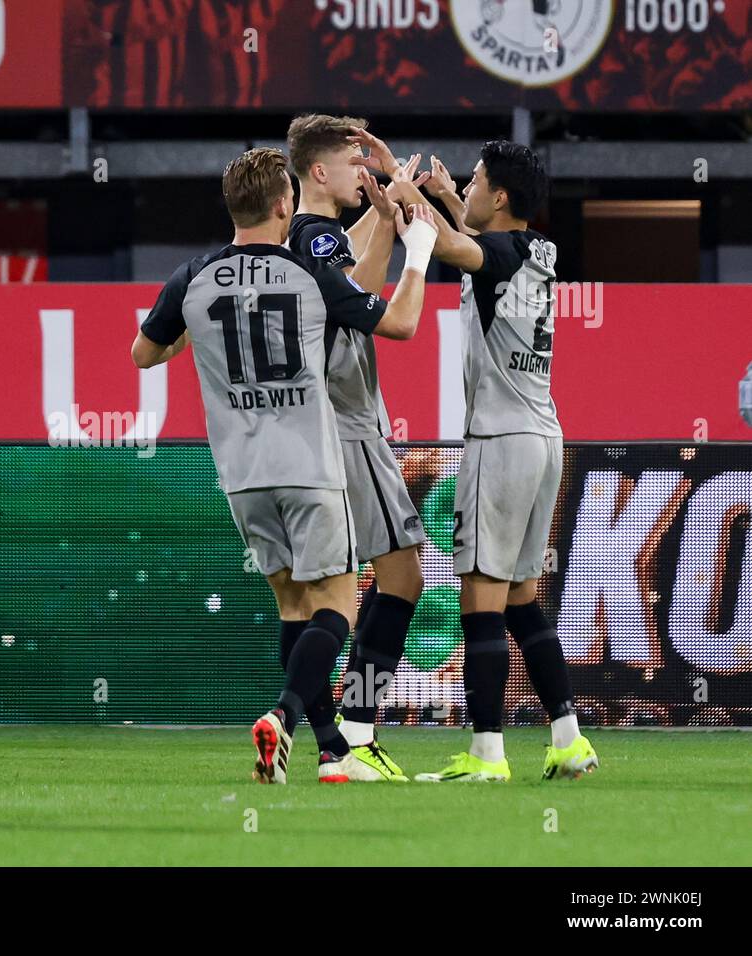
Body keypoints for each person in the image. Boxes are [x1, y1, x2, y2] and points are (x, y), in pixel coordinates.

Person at [131, 147, 438, 784]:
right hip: (310, 462)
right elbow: (402, 322)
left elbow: (143, 353)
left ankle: (331, 751)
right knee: (336, 608)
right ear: (284, 204)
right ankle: (284, 714)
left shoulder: (190, 277)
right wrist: (422, 250)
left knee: (292, 609)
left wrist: (204, 332)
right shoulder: (309, 274)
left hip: (241, 474)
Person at [412, 141, 599, 782]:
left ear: (499, 197)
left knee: (481, 602)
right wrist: (441, 197)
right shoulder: (537, 250)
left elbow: (451, 247)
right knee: (522, 600)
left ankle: (487, 753)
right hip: (546, 435)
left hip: (499, 440)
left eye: (475, 180)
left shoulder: (491, 254)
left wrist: (404, 191)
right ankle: (569, 738)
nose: (465, 185)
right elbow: (477, 243)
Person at [285, 115, 430, 780]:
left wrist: (391, 192)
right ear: (319, 172)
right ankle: (352, 731)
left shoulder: (314, 237)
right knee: (398, 579)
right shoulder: (312, 236)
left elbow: (352, 273)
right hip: (347, 427)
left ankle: (332, 736)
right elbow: (368, 297)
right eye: (351, 163)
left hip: (327, 427)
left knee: (319, 598)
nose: (361, 173)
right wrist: (404, 216)